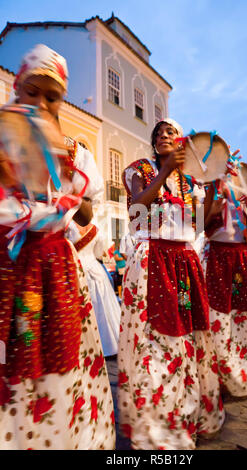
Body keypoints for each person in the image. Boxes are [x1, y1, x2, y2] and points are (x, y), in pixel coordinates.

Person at [0, 44, 115, 450]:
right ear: (17, 89)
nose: (41, 103)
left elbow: (85, 215)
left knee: (60, 357)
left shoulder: (72, 151)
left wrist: (67, 181)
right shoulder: (2, 142)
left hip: (57, 269)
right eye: (32, 92)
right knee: (14, 357)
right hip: (11, 268)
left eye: (53, 97)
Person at [118, 118, 225, 450]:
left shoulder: (189, 183)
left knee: (187, 340)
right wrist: (164, 172)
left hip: (183, 262)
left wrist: (213, 189)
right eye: (159, 133)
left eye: (170, 133)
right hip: (151, 261)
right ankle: (156, 428)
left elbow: (195, 227)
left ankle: (185, 413)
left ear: (181, 144)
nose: (163, 135)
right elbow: (138, 211)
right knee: (154, 344)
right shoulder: (141, 170)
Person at [204, 163, 247, 397]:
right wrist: (218, 198)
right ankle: (225, 372)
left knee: (246, 312)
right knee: (220, 313)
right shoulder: (211, 187)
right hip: (218, 256)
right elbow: (204, 224)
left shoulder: (244, 195)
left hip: (242, 256)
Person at [67, 221, 121, 357]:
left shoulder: (67, 226)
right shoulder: (96, 229)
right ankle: (108, 345)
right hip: (95, 270)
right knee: (103, 307)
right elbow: (98, 253)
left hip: (75, 269)